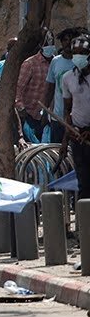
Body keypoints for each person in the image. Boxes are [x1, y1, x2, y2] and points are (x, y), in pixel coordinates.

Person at [58, 35, 90, 201]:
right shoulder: (67, 78)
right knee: (83, 182)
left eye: (82, 52)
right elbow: (67, 109)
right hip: (77, 136)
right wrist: (68, 136)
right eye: (75, 52)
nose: (78, 56)